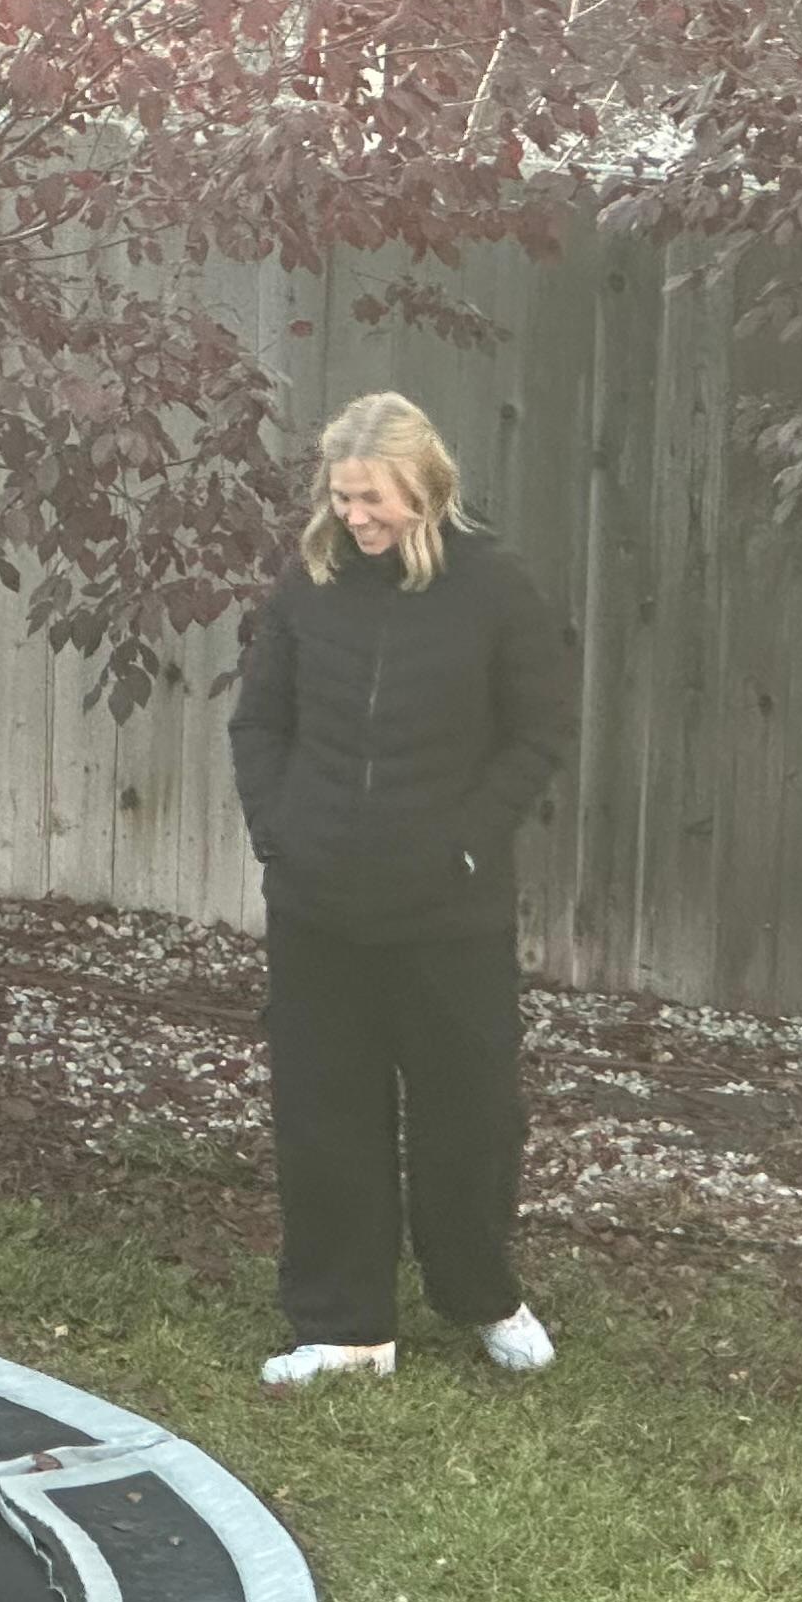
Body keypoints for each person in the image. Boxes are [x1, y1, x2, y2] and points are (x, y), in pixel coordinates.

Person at [227, 389, 569, 1393]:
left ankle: (482, 1296)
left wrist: (463, 844)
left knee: (471, 1115)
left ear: (424, 487)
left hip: (447, 913)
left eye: (372, 499)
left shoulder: (497, 590)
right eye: (342, 499)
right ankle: (346, 1329)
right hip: (318, 906)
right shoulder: (309, 584)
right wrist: (279, 835)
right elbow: (259, 725)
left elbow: (537, 735)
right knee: (324, 1114)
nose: (356, 519)